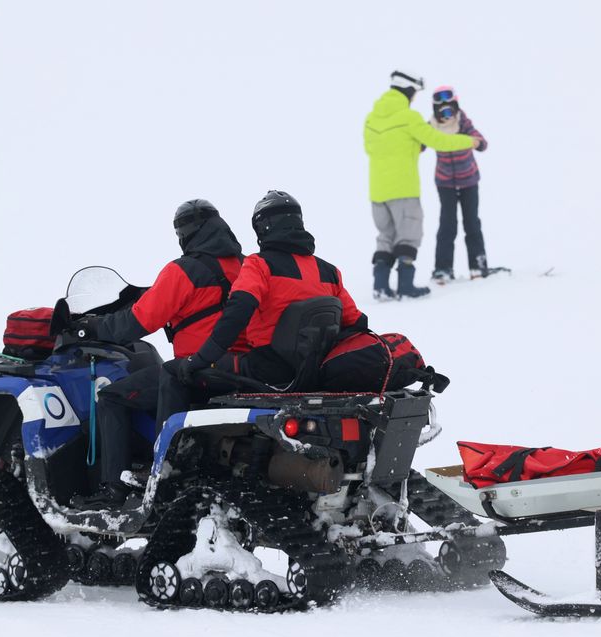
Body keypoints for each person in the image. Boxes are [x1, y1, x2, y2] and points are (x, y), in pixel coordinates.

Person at [69, 199, 248, 508]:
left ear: (186, 232)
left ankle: (114, 488)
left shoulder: (185, 270)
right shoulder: (246, 266)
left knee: (111, 397)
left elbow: (140, 320)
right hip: (242, 367)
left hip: (195, 368)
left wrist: (94, 328)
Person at [164, 190, 368, 415]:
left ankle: (162, 448)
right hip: (314, 371)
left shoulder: (259, 264)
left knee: (173, 372)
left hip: (267, 370)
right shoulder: (329, 272)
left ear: (263, 227)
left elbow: (237, 311)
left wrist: (200, 359)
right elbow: (358, 322)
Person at [364, 69, 479, 299]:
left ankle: (380, 286)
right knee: (408, 236)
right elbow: (438, 140)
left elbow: (371, 148)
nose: (415, 97)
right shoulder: (409, 118)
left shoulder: (371, 119)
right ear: (408, 90)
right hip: (403, 190)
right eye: (415, 92)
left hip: (377, 191)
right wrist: (470, 141)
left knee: (385, 236)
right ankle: (406, 286)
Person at [429, 86, 489, 283]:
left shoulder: (463, 123)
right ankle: (443, 269)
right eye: (442, 112)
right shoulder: (431, 127)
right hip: (445, 182)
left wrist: (476, 142)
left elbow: (482, 142)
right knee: (448, 224)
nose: (446, 116)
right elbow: (419, 142)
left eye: (450, 111)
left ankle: (477, 266)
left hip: (468, 181)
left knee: (471, 222)